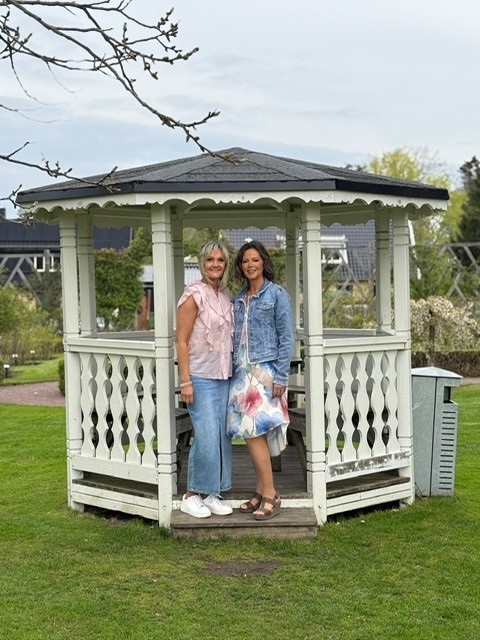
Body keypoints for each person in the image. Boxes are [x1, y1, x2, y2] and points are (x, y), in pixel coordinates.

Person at [227, 241, 294, 521]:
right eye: (245, 261)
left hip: (264, 374)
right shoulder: (238, 298)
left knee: (255, 434)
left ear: (263, 262)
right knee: (252, 435)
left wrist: (281, 376)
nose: (250, 265)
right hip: (241, 374)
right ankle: (259, 491)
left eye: (255, 260)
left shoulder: (277, 295)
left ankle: (271, 494)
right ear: (241, 266)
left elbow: (286, 338)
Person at [176, 240, 234, 519]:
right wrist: (185, 381)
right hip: (199, 377)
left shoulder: (225, 295)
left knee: (221, 436)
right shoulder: (193, 294)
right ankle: (191, 496)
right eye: (210, 259)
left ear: (226, 264)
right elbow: (181, 341)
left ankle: (211, 493)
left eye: (220, 260)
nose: (215, 264)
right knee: (207, 436)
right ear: (202, 262)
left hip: (224, 376)